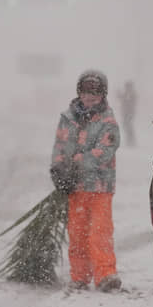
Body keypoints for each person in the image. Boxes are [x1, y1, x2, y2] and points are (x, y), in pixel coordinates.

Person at [50, 70, 122, 292]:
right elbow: (60, 146)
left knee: (99, 232)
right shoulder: (67, 119)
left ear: (103, 94)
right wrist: (59, 170)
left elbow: (105, 151)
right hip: (76, 188)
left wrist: (78, 165)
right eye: (85, 92)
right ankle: (80, 276)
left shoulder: (108, 121)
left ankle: (105, 275)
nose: (89, 97)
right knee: (77, 232)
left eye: (95, 93)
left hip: (100, 188)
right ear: (78, 92)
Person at [117, 80, 138, 147]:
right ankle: (130, 140)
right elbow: (121, 98)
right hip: (126, 112)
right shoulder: (128, 93)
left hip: (129, 113)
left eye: (127, 86)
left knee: (127, 126)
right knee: (127, 126)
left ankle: (131, 141)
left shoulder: (131, 93)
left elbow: (127, 100)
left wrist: (122, 97)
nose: (126, 87)